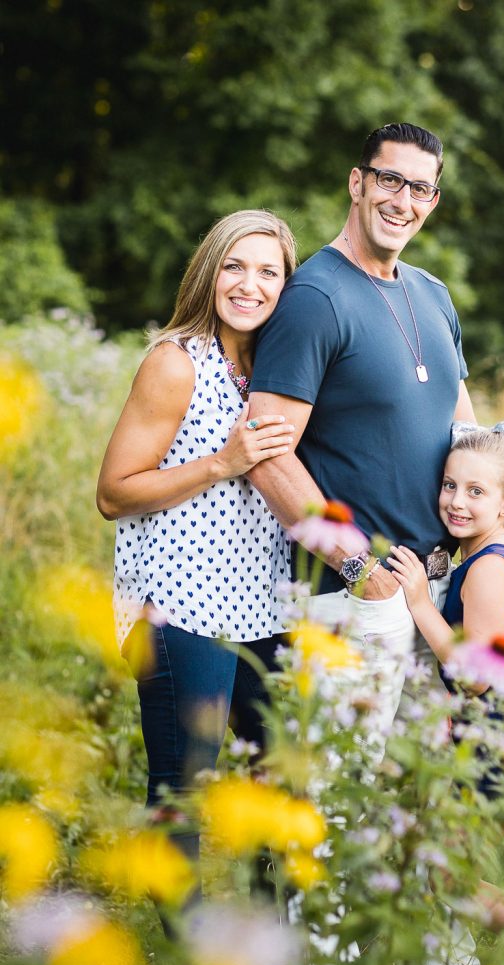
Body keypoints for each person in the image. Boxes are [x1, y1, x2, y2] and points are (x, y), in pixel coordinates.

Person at [247, 121, 504, 729]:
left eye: (420, 188)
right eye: (389, 180)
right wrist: (364, 572)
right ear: (357, 183)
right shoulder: (313, 297)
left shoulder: (433, 294)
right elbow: (267, 454)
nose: (402, 201)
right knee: (340, 796)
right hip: (355, 597)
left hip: (440, 591)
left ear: (433, 201)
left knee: (417, 801)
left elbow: (472, 442)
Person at [96, 210, 297, 862]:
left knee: (283, 779)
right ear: (209, 274)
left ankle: (278, 944)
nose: (249, 285)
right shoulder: (176, 363)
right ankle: (184, 953)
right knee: (186, 788)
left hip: (265, 605)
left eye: (268, 271)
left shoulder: (279, 372)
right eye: (234, 266)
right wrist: (220, 464)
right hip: (181, 606)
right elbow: (113, 490)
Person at [387, 424, 504, 952]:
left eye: (476, 492)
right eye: (450, 485)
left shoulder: (487, 572)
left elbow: (476, 677)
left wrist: (421, 603)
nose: (456, 501)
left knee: (446, 876)